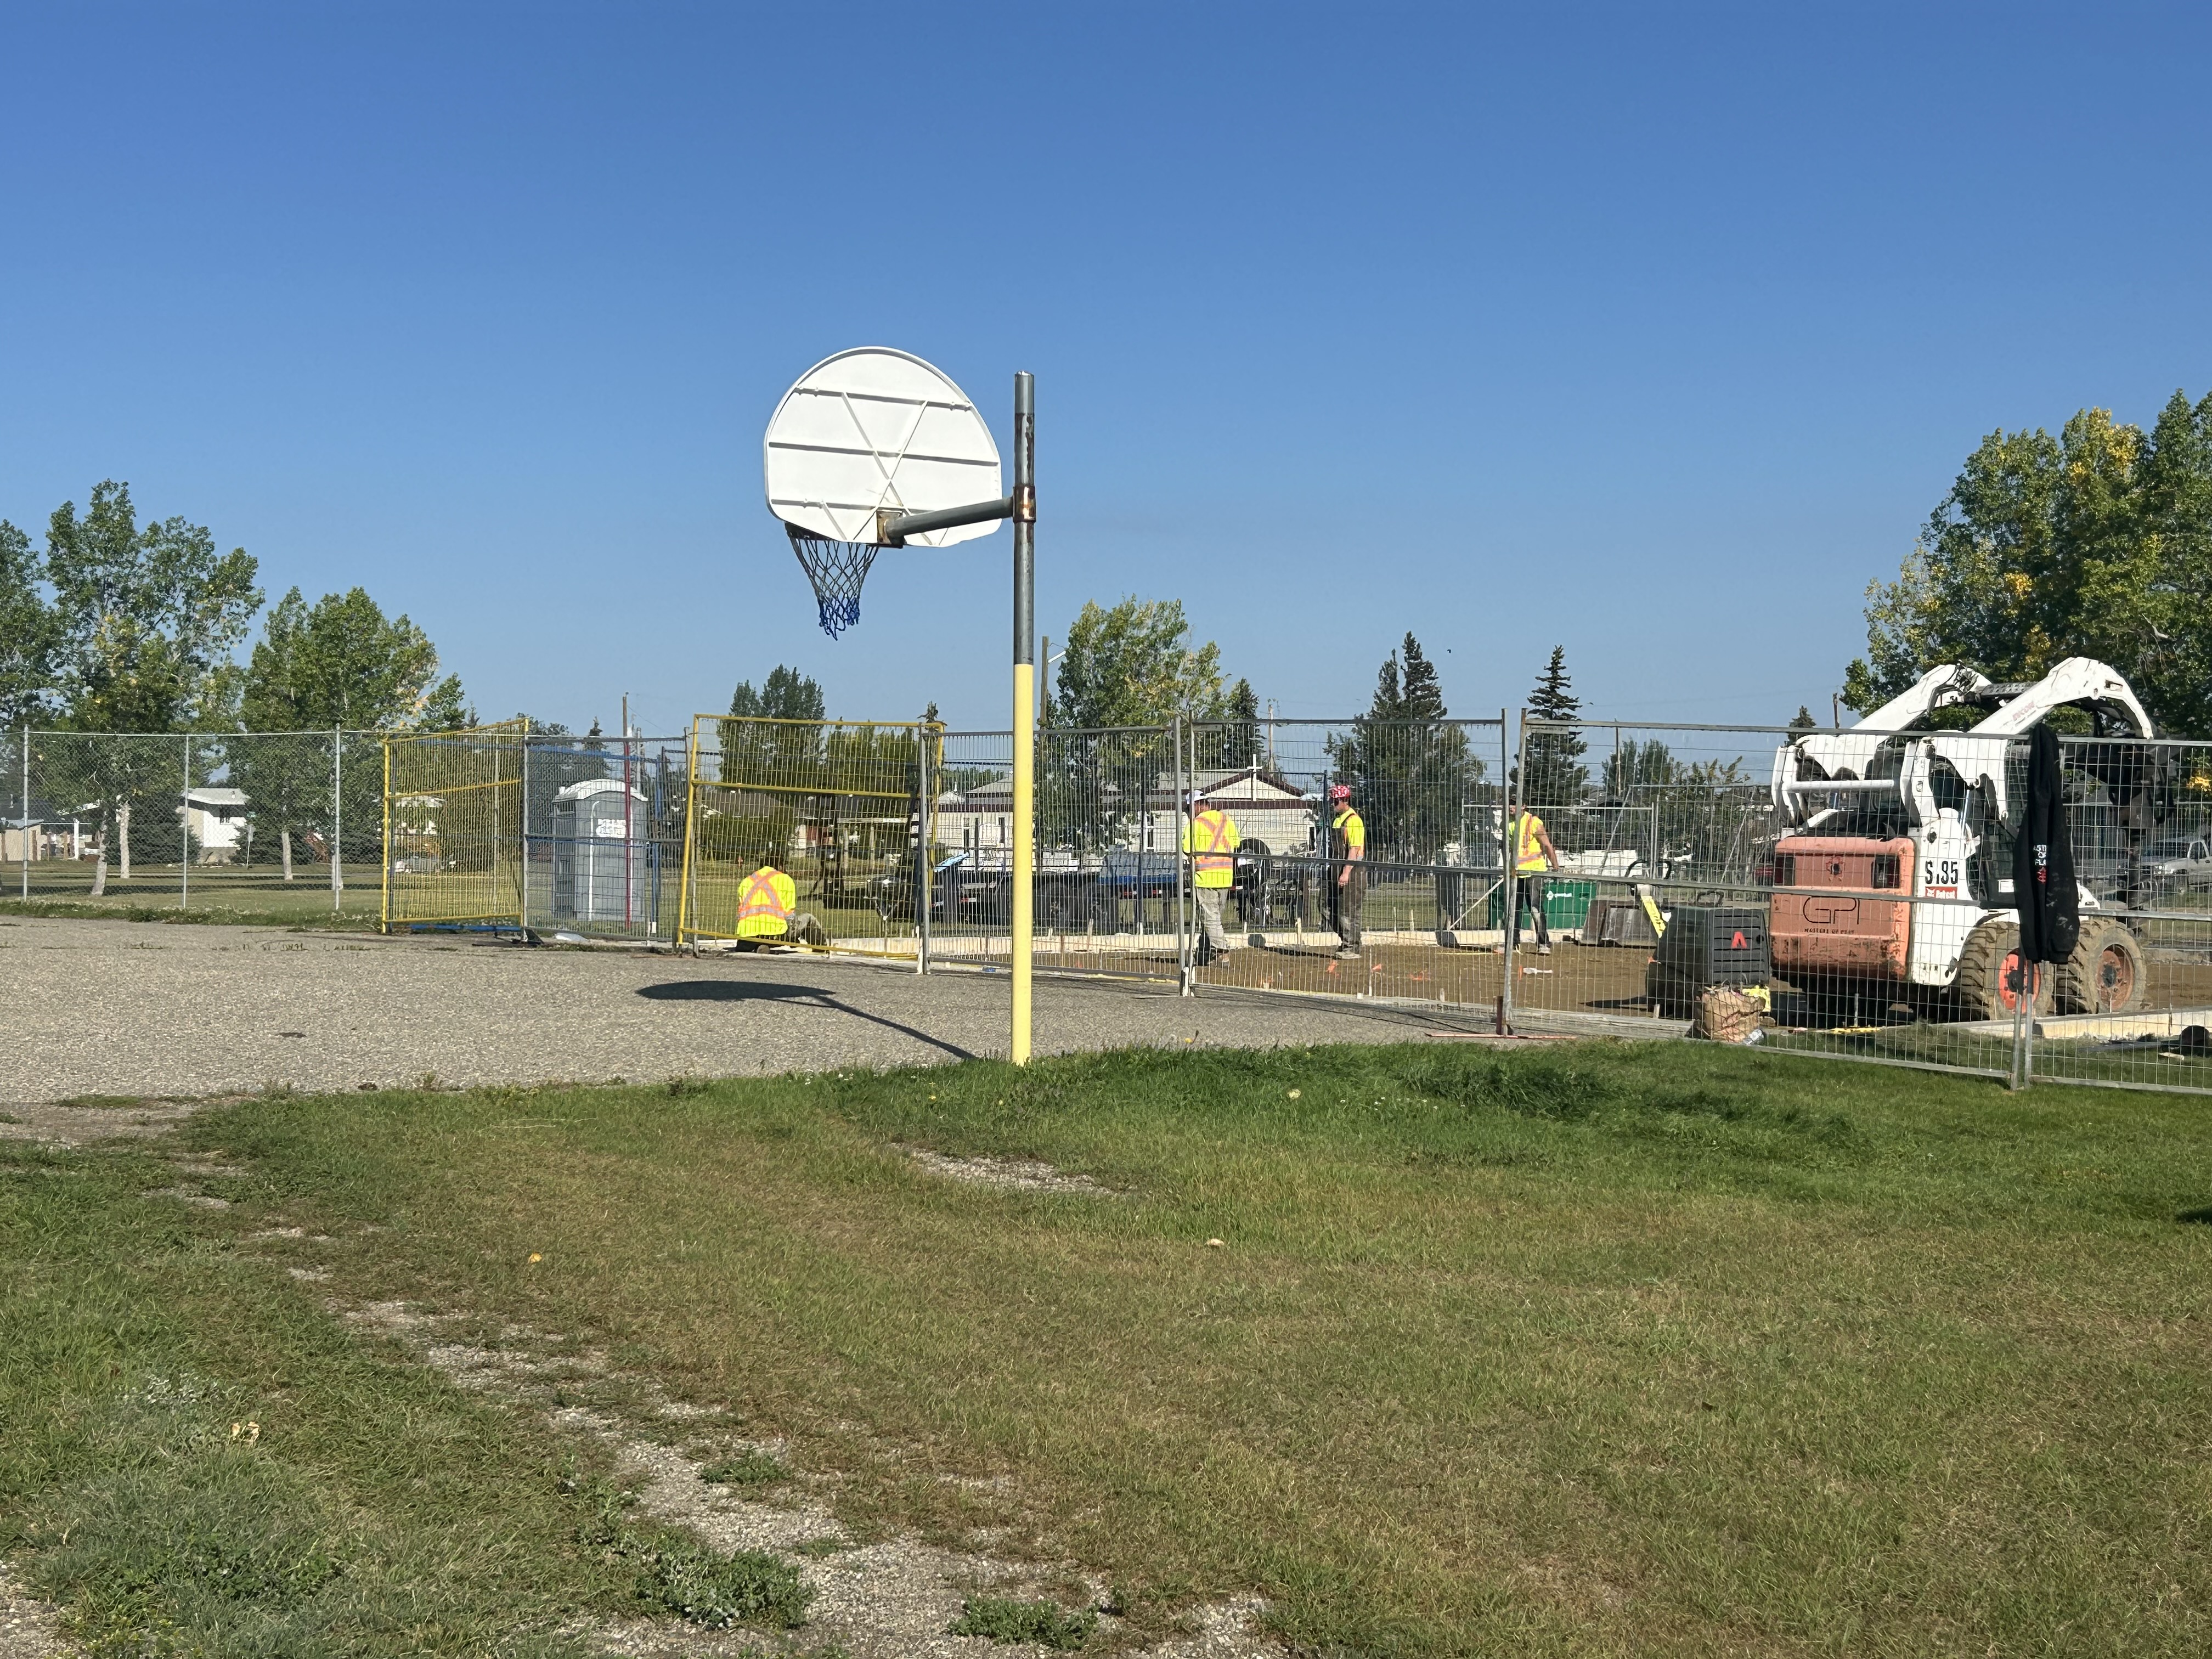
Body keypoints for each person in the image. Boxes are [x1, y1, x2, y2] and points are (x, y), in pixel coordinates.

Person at [1181, 796, 1241, 964]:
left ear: (1197, 805)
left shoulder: (1195, 825)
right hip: (1225, 877)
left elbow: (1187, 849)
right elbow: (1236, 843)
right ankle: (1206, 954)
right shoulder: (1226, 820)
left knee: (1210, 919)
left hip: (1205, 877)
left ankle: (1223, 951)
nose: (1188, 813)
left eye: (1189, 809)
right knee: (1214, 920)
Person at [1508, 792, 1561, 955]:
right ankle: (1513, 944)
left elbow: (1547, 846)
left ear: (1524, 806)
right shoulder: (1508, 824)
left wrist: (1555, 866)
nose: (1511, 807)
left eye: (1515, 804)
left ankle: (1544, 944)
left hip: (1534, 872)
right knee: (1513, 910)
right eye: (1509, 804)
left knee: (1535, 909)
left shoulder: (1534, 822)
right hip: (1516, 873)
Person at [1328, 783, 1365, 958]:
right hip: (1336, 869)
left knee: (1348, 910)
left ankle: (1351, 946)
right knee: (1327, 907)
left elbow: (1354, 849)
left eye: (1336, 801)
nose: (1333, 804)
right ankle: (1346, 940)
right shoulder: (1338, 820)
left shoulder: (1354, 821)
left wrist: (1346, 873)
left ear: (1345, 800)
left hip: (1352, 871)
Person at [735, 862, 798, 943]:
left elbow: (741, 909)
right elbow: (789, 913)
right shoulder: (786, 879)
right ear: (780, 865)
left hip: (747, 931)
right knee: (809, 919)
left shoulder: (746, 881)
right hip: (776, 930)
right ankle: (818, 947)